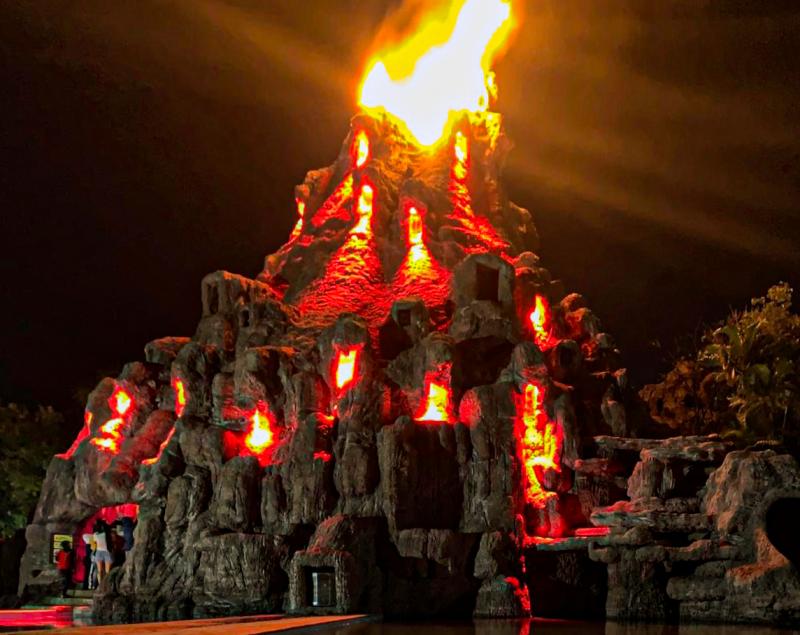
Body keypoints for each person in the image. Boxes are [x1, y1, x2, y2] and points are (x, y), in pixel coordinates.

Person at [92, 520, 113, 584]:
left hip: (99, 552)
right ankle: (107, 585)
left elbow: (94, 543)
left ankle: (100, 585)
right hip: (107, 552)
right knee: (107, 572)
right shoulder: (108, 534)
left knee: (100, 571)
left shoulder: (95, 534)